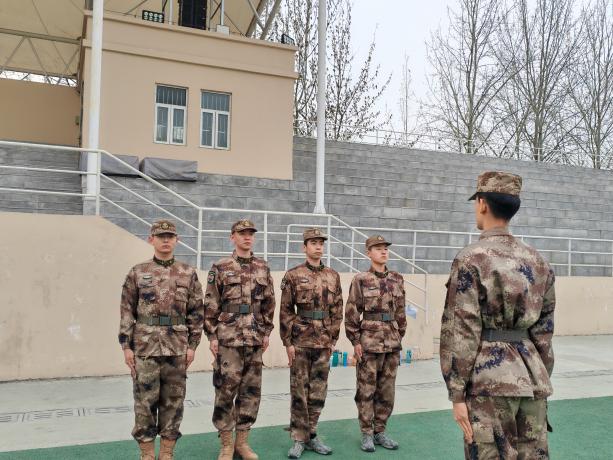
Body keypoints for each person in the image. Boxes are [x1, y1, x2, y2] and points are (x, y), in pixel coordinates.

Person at [440, 171, 556, 459]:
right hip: (532, 378)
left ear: (482, 203)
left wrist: (456, 392)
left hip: (488, 382)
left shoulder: (471, 258)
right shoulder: (538, 260)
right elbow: (544, 332)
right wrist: (539, 375)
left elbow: (461, 331)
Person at [119, 219, 204, 460]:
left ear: (177, 240)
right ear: (151, 239)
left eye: (170, 236)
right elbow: (126, 311)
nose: (165, 240)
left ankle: (167, 452)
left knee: (173, 401)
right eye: (160, 236)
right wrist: (126, 347)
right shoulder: (138, 272)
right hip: (144, 347)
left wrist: (192, 346)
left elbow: (196, 312)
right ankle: (147, 454)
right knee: (144, 402)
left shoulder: (188, 273)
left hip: (176, 348)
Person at [204, 219, 276, 460]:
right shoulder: (220, 267)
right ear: (232, 237)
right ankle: (226, 444)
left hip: (254, 338)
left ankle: (242, 443)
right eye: (242, 233)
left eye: (250, 234)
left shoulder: (263, 267)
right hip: (228, 339)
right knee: (225, 391)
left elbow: (269, 303)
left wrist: (266, 332)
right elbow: (211, 303)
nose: (247, 237)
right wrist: (212, 335)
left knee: (250, 392)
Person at [279, 228, 343, 458]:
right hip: (301, 341)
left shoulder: (333, 275)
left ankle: (312, 435)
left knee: (318, 391)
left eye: (320, 243)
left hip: (324, 342)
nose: (318, 246)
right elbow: (286, 310)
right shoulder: (293, 275)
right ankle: (299, 438)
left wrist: (333, 338)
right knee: (299, 391)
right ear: (304, 247)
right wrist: (288, 342)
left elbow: (337, 310)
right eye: (313, 243)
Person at [345, 235, 407, 453]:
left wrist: (398, 336)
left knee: (387, 391)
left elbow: (401, 312)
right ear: (368, 253)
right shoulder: (361, 279)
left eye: (385, 249)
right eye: (378, 248)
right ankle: (367, 433)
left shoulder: (397, 279)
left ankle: (380, 431)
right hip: (369, 344)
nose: (383, 252)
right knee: (366, 390)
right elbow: (352, 312)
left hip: (392, 344)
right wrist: (355, 341)